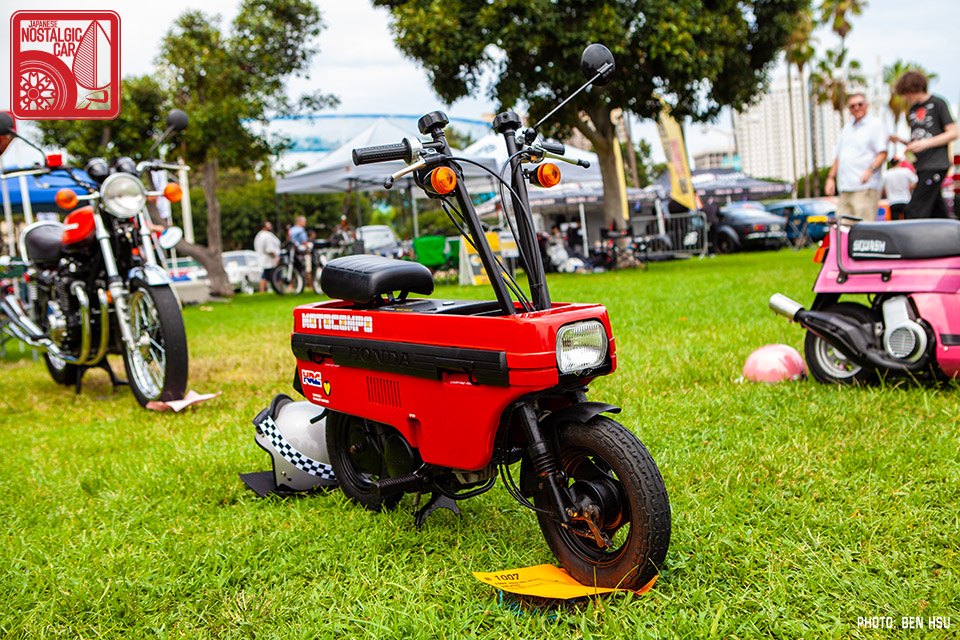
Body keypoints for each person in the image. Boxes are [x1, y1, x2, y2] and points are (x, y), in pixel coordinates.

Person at [888, 71, 958, 219]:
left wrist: (926, 143)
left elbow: (953, 132)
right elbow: (917, 141)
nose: (906, 97)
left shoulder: (938, 103)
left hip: (936, 165)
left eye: (907, 92)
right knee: (937, 212)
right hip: (921, 166)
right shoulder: (912, 110)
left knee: (914, 210)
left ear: (915, 88)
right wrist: (901, 141)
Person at [824, 93, 888, 221]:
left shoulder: (875, 124)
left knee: (864, 227)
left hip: (865, 187)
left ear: (866, 105)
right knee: (842, 226)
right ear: (849, 109)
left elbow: (882, 153)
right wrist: (830, 178)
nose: (856, 108)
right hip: (845, 188)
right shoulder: (847, 128)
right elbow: (838, 156)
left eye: (860, 104)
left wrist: (870, 170)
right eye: (852, 106)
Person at [253, 221, 281, 293]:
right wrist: (275, 256)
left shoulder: (259, 235)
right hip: (269, 259)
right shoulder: (266, 236)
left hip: (265, 259)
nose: (271, 227)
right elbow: (270, 249)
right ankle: (280, 289)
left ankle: (264, 291)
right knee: (272, 275)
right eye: (269, 226)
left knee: (268, 275)